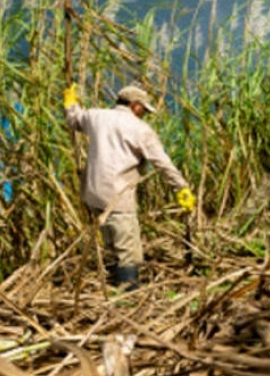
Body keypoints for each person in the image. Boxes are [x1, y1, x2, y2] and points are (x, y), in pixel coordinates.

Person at [63, 83, 195, 290]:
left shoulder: (95, 116)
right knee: (128, 252)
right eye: (144, 109)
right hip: (118, 197)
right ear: (135, 106)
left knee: (111, 246)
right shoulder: (140, 129)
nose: (144, 115)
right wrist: (181, 187)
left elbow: (74, 119)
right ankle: (128, 298)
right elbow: (161, 162)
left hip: (93, 195)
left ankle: (113, 287)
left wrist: (71, 102)